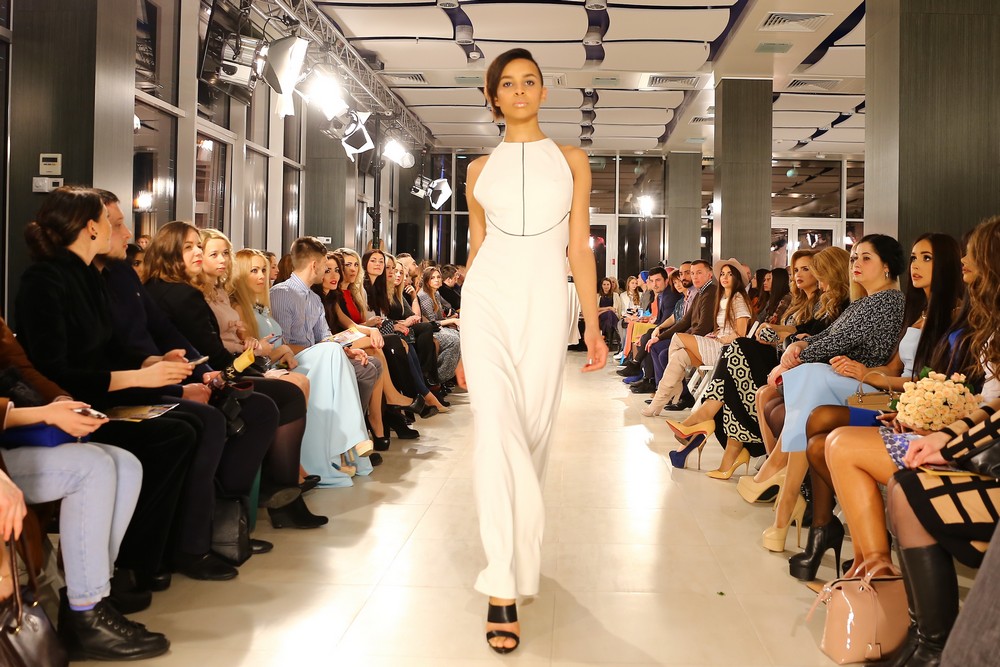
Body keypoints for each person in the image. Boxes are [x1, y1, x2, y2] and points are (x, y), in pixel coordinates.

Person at [463, 47, 607, 654]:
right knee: (495, 428)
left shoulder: (572, 160)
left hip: (548, 302)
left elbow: (579, 248)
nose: (519, 90)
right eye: (508, 83)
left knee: (534, 434)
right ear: (494, 96)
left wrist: (594, 325)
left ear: (544, 92)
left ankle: (518, 561)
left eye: (530, 81)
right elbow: (476, 249)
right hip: (486, 299)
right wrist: (463, 344)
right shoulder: (477, 169)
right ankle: (502, 581)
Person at [15, 187, 200, 589]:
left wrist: (151, 363)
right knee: (173, 434)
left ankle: (138, 558)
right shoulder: (43, 280)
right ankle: (130, 563)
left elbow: (110, 349)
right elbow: (55, 371)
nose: (123, 232)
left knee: (182, 430)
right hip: (69, 408)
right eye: (109, 220)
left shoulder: (89, 276)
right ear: (91, 228)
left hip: (98, 399)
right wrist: (139, 377)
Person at [789, 234, 963, 582]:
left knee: (821, 427)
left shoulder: (955, 316)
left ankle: (832, 529)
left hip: (918, 407)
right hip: (900, 399)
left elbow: (937, 382)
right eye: (914, 258)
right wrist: (864, 372)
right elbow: (894, 368)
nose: (916, 266)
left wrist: (876, 379)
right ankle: (828, 527)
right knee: (818, 424)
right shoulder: (916, 311)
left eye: (927, 258)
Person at [0, 318, 170, 661]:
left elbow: (24, 371)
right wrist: (44, 414)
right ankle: (86, 613)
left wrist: (62, 402)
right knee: (92, 467)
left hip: (12, 437)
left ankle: (95, 598)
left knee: (125, 464)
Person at [143, 222, 326, 529]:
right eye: (190, 248)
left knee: (289, 390)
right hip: (198, 378)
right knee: (286, 396)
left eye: (199, 246)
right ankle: (275, 493)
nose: (199, 253)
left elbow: (201, 350)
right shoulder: (184, 295)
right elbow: (211, 355)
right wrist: (251, 361)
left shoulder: (159, 289)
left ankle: (279, 490)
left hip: (198, 372)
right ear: (169, 253)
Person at [761, 234, 907, 553]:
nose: (856, 263)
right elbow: (826, 336)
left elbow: (834, 343)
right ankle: (786, 498)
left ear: (886, 266)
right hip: (850, 381)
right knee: (808, 377)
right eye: (854, 257)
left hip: (870, 389)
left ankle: (783, 483)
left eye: (866, 258)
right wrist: (800, 344)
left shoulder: (887, 301)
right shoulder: (864, 301)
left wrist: (798, 351)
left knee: (810, 373)